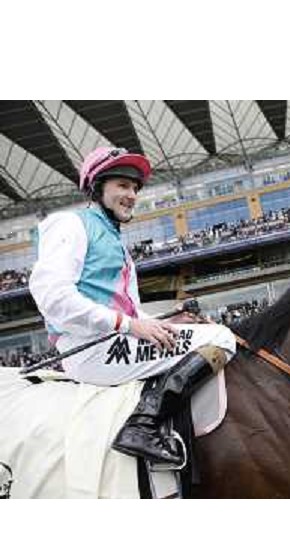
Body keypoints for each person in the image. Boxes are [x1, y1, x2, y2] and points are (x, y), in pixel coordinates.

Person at [29, 147, 236, 466]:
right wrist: (129, 325)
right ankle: (143, 425)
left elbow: (132, 313)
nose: (132, 194)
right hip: (91, 349)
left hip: (113, 340)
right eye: (122, 186)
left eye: (135, 188)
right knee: (221, 338)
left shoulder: (116, 244)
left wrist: (162, 322)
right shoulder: (71, 224)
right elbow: (52, 296)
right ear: (97, 188)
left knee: (204, 330)